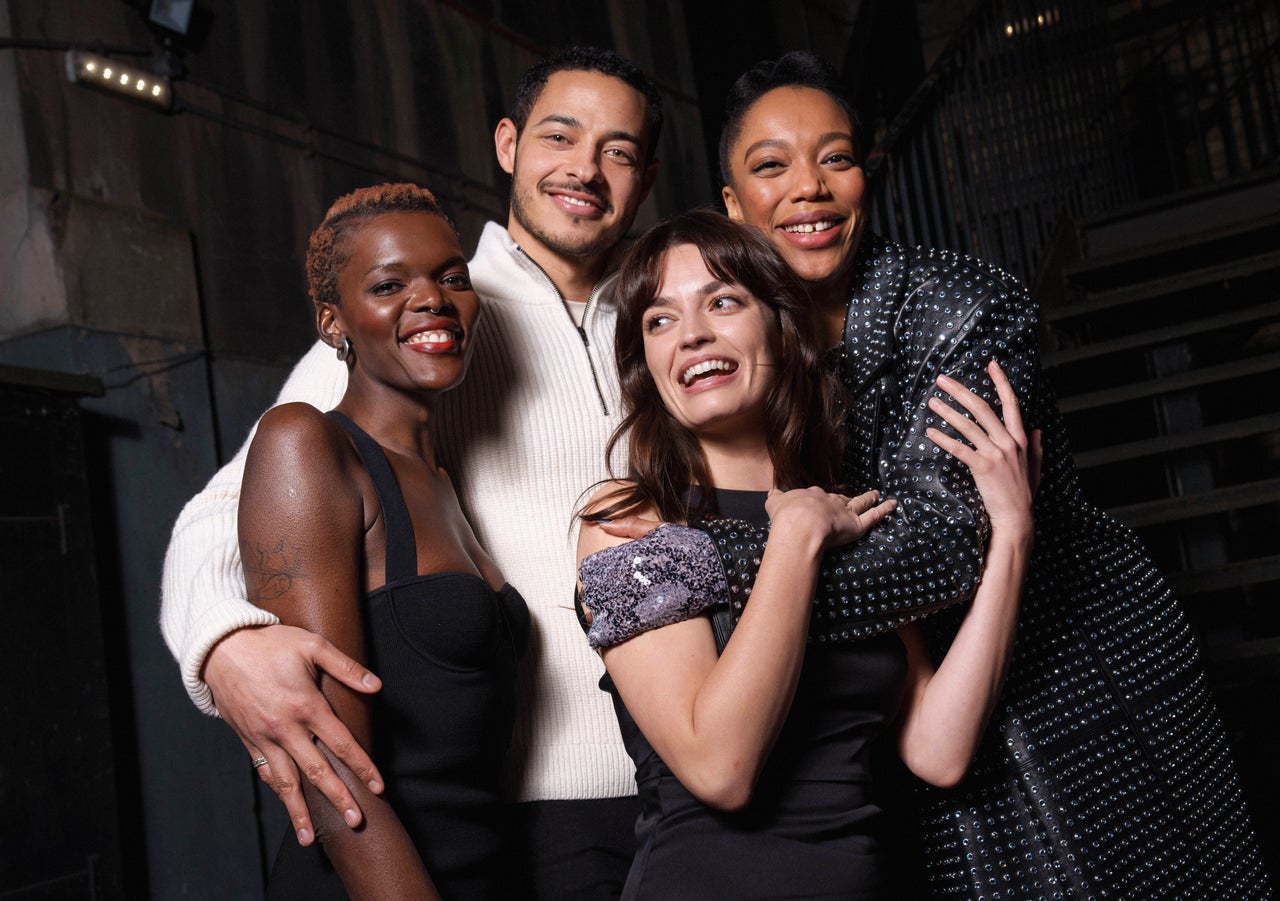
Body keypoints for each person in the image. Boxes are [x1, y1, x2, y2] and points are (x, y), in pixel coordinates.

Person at [707, 50, 1271, 898]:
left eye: (836, 157)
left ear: (870, 174)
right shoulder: (749, 339)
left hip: (1072, 670)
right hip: (917, 702)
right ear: (733, 206)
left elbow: (943, 545)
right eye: (771, 165)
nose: (808, 188)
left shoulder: (965, 304)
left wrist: (710, 566)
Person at [161, 47, 661, 898]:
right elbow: (222, 512)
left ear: (645, 178)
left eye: (617, 150)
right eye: (559, 136)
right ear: (507, 144)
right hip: (528, 808)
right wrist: (223, 644)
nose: (584, 167)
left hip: (670, 788)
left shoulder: (668, 320)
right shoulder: (425, 318)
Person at [575, 210, 1038, 899]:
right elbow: (719, 767)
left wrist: (1011, 531)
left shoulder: (844, 513)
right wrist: (794, 539)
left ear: (780, 325)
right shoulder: (631, 520)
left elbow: (937, 749)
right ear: (647, 364)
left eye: (723, 300)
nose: (693, 333)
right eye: (660, 320)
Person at [239, 183, 529, 899]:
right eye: (390, 283)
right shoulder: (306, 442)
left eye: (451, 277)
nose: (432, 297)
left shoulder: (441, 477)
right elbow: (331, 766)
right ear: (333, 320)